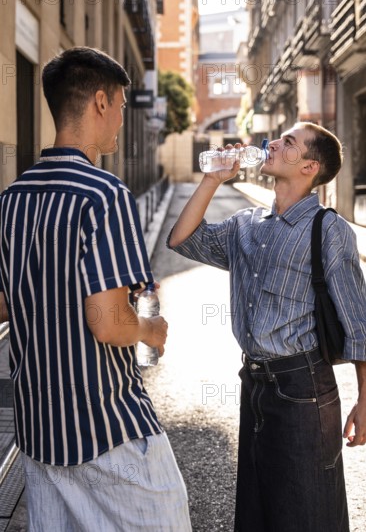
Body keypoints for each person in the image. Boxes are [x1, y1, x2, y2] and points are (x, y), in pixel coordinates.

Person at [0, 46, 191, 532]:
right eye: (123, 106)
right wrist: (152, 330)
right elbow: (108, 323)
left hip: (40, 434)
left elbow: (4, 303)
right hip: (108, 428)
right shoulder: (104, 195)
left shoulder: (11, 200)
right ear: (100, 102)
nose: (122, 119)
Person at [167, 122, 366, 532]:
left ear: (310, 167)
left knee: (308, 512)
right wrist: (212, 179)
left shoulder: (329, 230)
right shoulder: (246, 224)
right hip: (254, 382)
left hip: (303, 388)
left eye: (288, 142)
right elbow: (182, 240)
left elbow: (359, 323)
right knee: (259, 509)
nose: (272, 143)